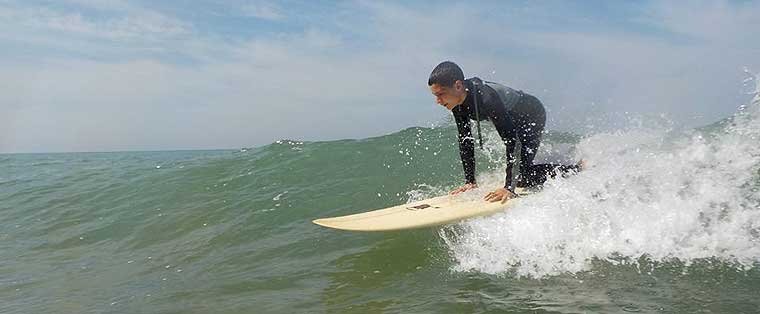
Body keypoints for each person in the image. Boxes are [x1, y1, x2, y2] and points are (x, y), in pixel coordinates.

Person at [428, 61, 582, 203]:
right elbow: (465, 140)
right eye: (435, 96)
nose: (438, 101)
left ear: (458, 86)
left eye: (441, 94)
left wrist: (509, 188)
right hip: (514, 118)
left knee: (522, 177)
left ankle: (577, 169)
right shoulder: (457, 103)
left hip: (532, 114)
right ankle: (563, 168)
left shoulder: (487, 99)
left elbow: (512, 142)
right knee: (519, 172)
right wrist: (470, 182)